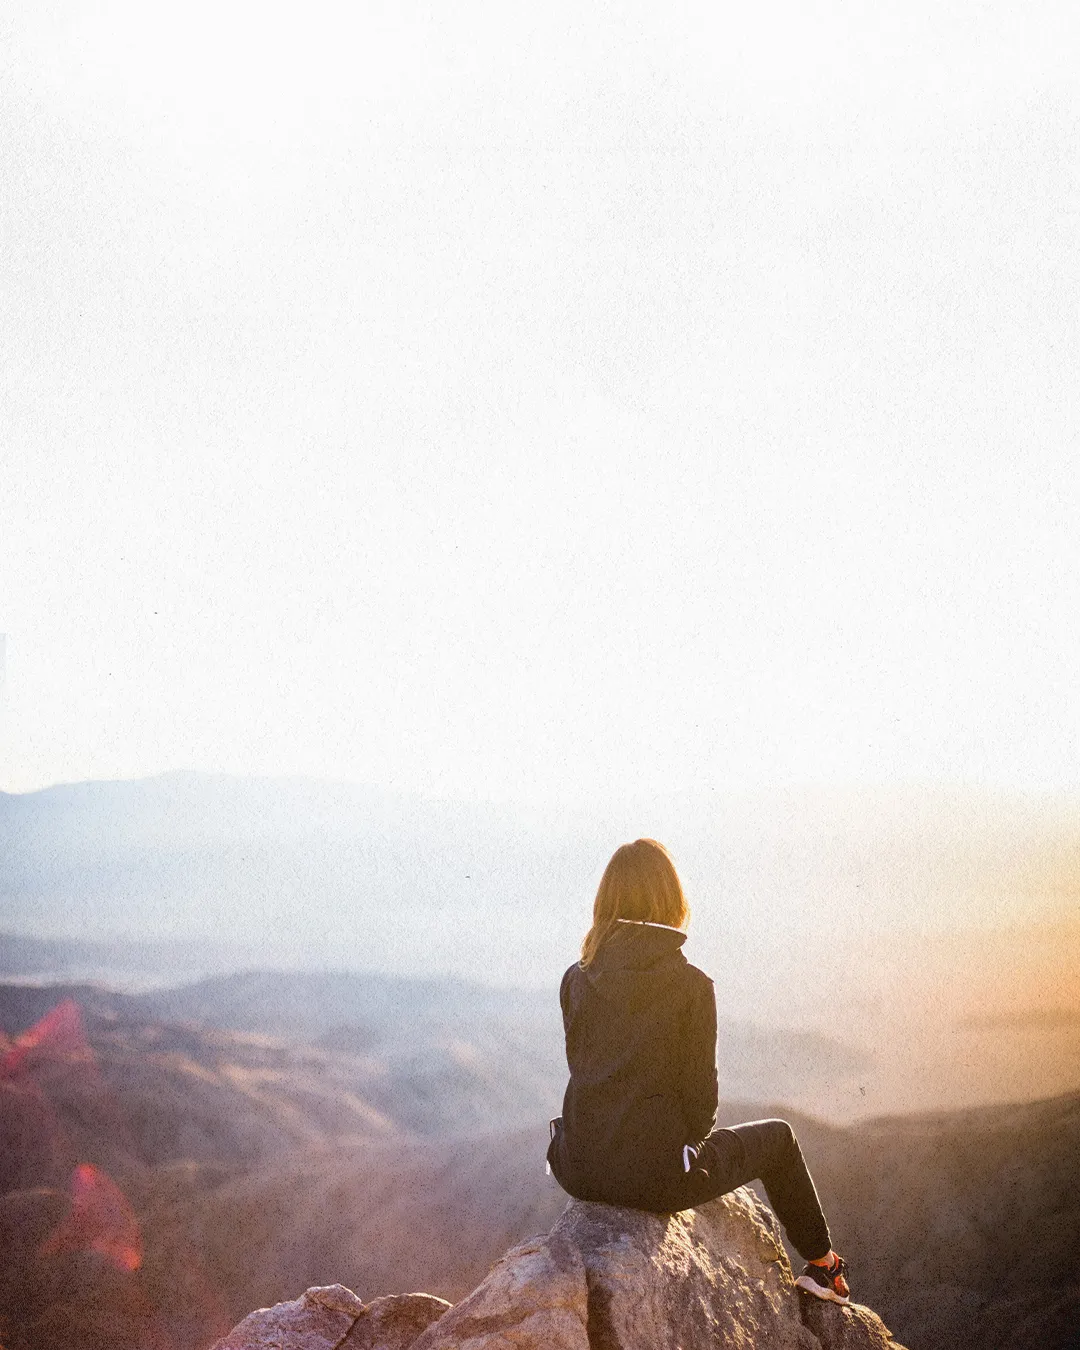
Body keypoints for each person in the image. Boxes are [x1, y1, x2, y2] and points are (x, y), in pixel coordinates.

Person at [546, 837, 851, 1304]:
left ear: (605, 902)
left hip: (577, 1166)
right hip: (656, 1180)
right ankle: (823, 1266)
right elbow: (702, 1109)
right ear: (672, 901)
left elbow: (585, 1071)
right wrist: (679, 1152)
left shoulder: (575, 977)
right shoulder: (691, 987)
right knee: (780, 1139)